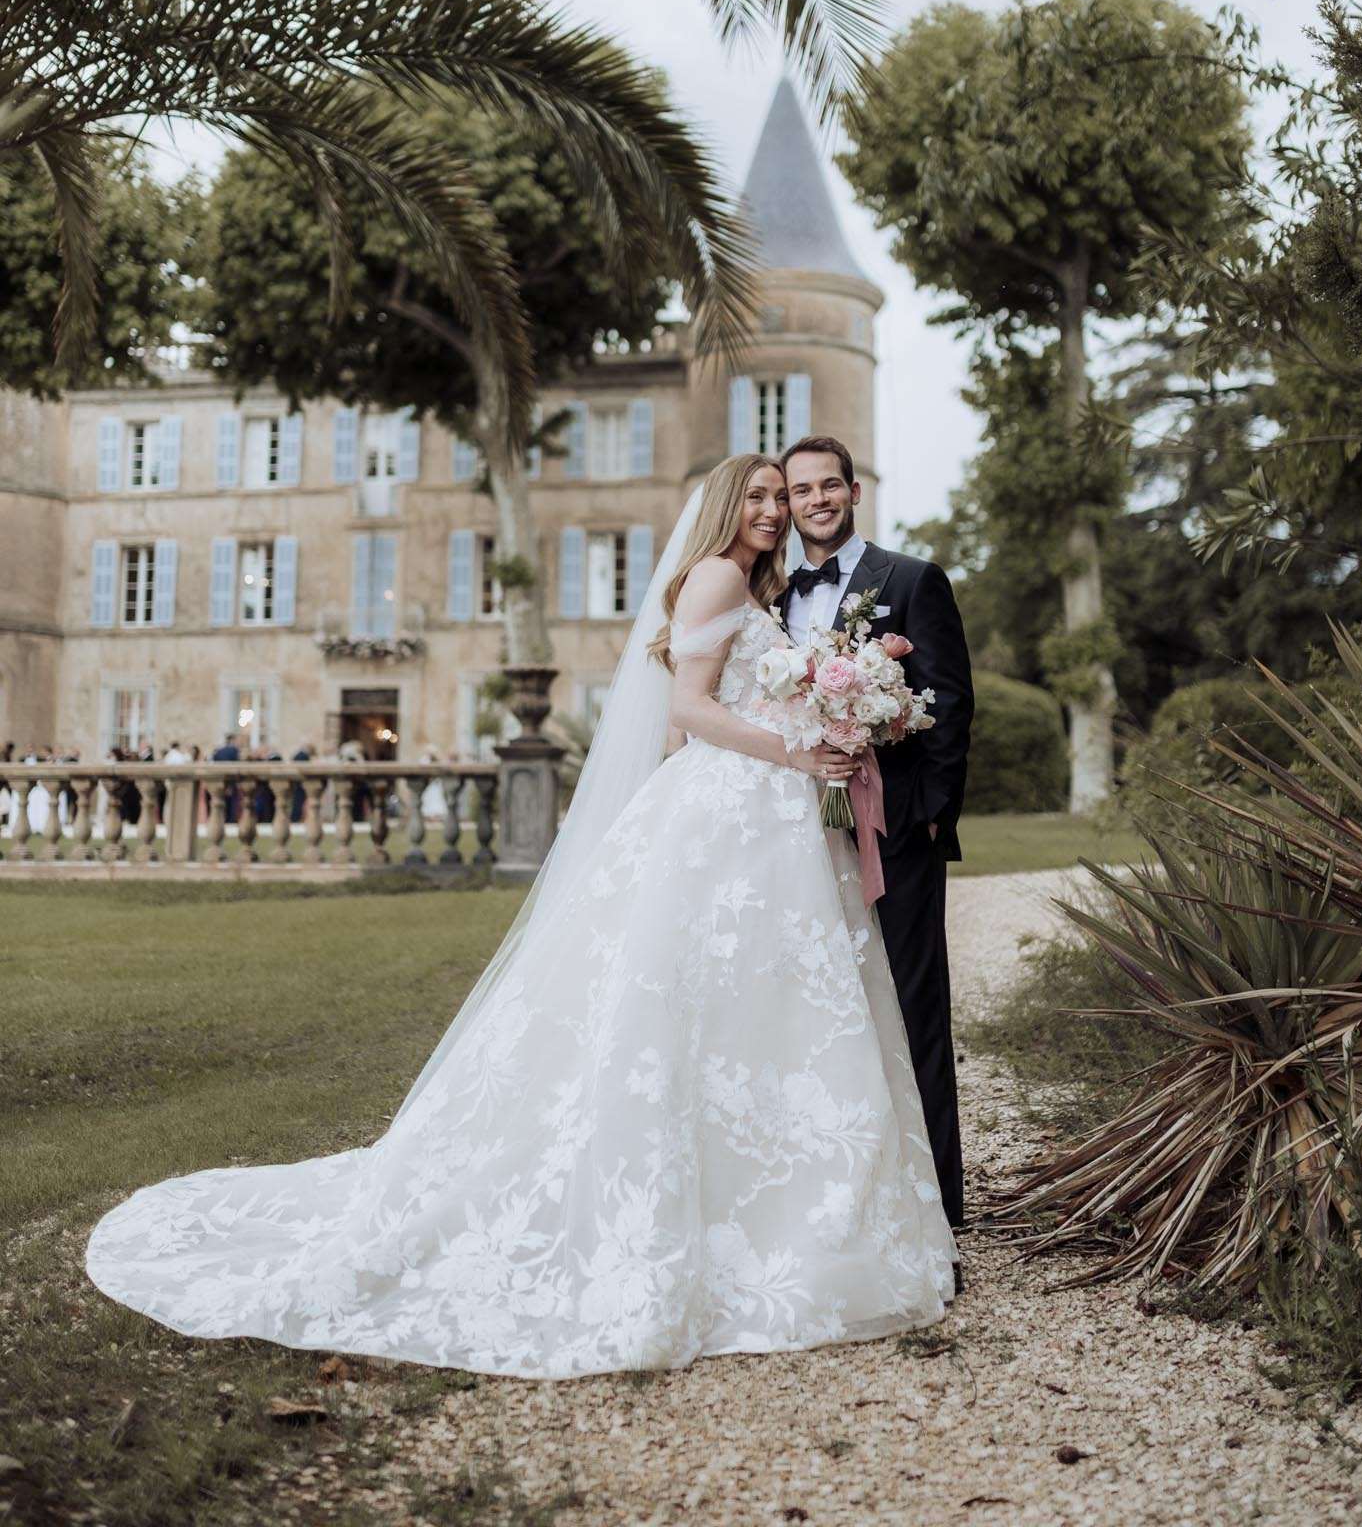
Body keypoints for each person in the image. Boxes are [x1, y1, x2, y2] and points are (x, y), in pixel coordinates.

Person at [84, 454, 957, 1375]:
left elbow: (684, 723)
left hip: (758, 817)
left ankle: (789, 1207)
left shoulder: (753, 585)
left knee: (766, 1010)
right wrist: (797, 750)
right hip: (745, 802)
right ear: (717, 506)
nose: (776, 510)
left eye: (781, 496)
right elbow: (692, 709)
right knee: (716, 1006)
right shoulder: (713, 574)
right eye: (758, 495)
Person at [781, 435, 974, 1255]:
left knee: (909, 1002)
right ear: (786, 505)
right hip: (793, 832)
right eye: (799, 491)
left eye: (829, 485)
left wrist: (927, 815)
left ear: (853, 492)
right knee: (822, 1007)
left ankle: (939, 1198)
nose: (815, 500)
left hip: (891, 830)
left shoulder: (908, 579)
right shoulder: (771, 595)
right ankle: (844, 1191)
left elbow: (948, 699)